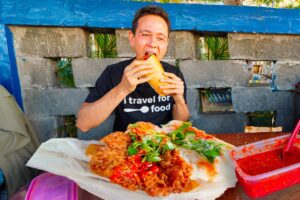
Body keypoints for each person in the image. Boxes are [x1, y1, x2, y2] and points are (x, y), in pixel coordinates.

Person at [77, 5, 189, 132]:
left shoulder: (174, 74)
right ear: (132, 38)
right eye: (145, 34)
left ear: (166, 44)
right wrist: (122, 89)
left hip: (163, 146)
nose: (152, 44)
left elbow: (181, 125)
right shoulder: (113, 73)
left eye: (160, 38)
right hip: (126, 147)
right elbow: (83, 123)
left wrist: (179, 100)